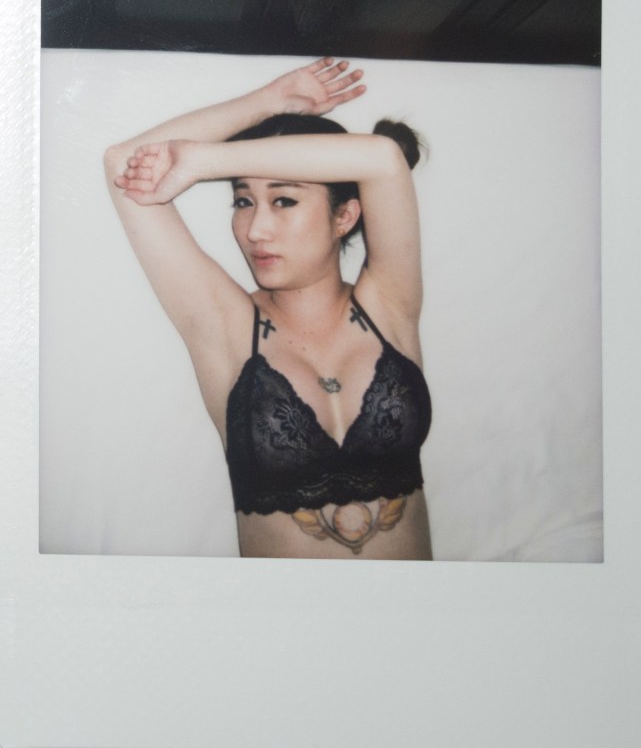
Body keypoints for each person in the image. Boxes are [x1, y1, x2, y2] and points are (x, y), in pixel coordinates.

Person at [104, 58, 433, 560]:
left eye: (284, 201)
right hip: (281, 610)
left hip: (416, 606)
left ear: (345, 215)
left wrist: (204, 161)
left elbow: (384, 159)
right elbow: (123, 163)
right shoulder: (230, 327)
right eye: (243, 202)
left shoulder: (388, 305)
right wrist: (269, 101)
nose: (255, 230)